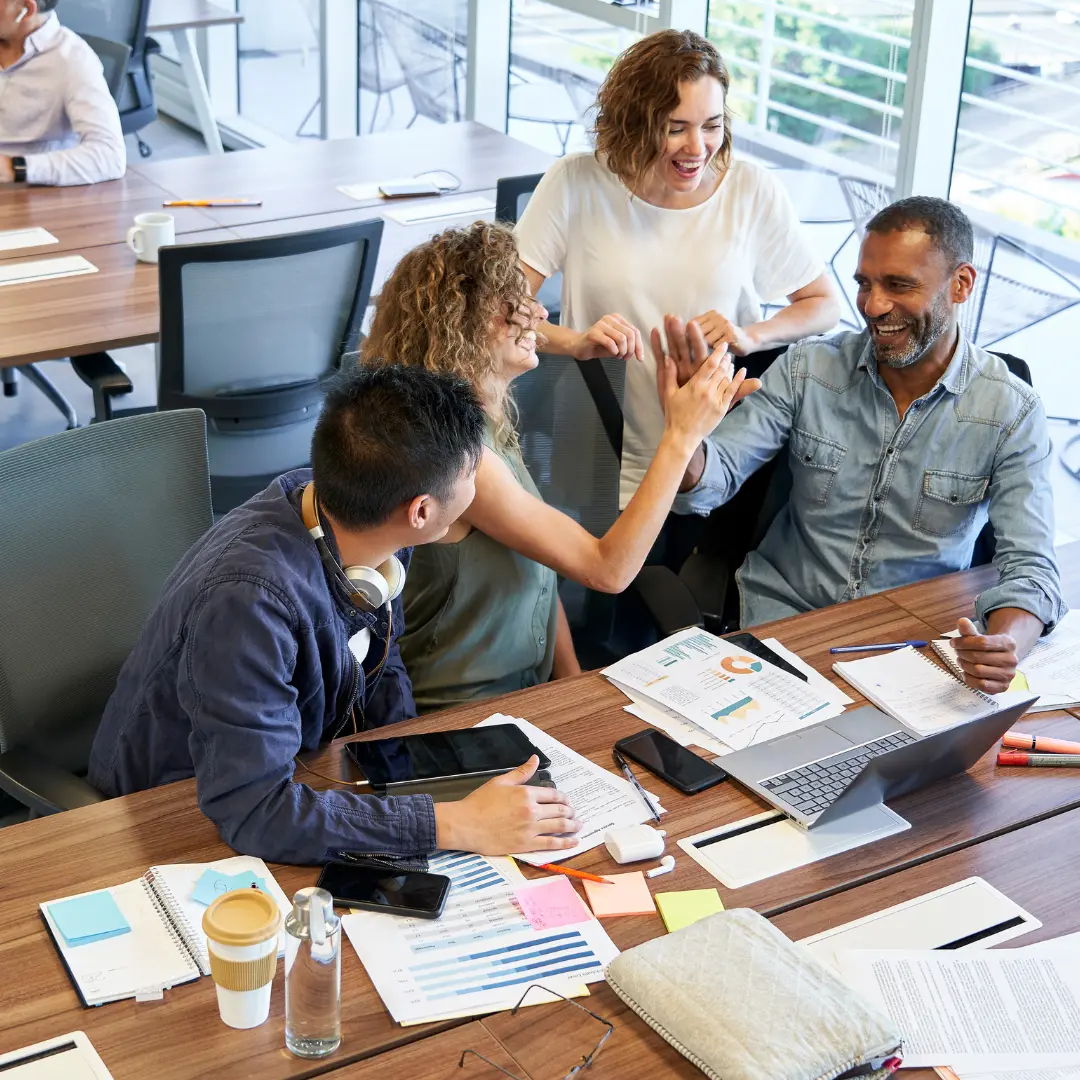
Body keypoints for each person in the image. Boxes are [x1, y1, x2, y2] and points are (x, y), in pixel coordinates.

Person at [88, 366, 581, 865]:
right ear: (422, 511)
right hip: (171, 816)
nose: (482, 478)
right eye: (474, 471)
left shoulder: (362, 520)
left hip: (290, 769)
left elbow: (384, 665)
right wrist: (453, 823)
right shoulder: (249, 604)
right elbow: (255, 812)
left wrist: (414, 779)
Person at [667, 196, 1066, 694]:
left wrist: (1006, 644)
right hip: (783, 629)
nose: (873, 306)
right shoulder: (808, 369)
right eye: (864, 284)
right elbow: (712, 479)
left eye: (898, 285)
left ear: (960, 284)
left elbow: (1032, 568)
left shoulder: (1012, 410)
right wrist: (685, 436)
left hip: (914, 651)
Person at [360, 222, 758, 711]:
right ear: (459, 325)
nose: (539, 313)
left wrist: (572, 679)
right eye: (515, 305)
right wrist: (680, 437)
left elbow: (543, 562)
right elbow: (606, 569)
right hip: (463, 717)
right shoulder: (460, 456)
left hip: (530, 693)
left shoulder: (486, 422)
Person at [514, 28, 839, 514]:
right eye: (675, 126)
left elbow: (824, 305)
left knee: (699, 580)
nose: (697, 147)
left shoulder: (751, 189)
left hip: (714, 452)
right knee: (604, 582)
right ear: (633, 123)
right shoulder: (575, 183)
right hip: (601, 444)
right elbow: (499, 313)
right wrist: (576, 344)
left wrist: (750, 336)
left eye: (711, 125)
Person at [0, 0, 126, 186]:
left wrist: (13, 167)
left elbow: (110, 156)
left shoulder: (72, 60)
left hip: (26, 193)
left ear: (25, 10)